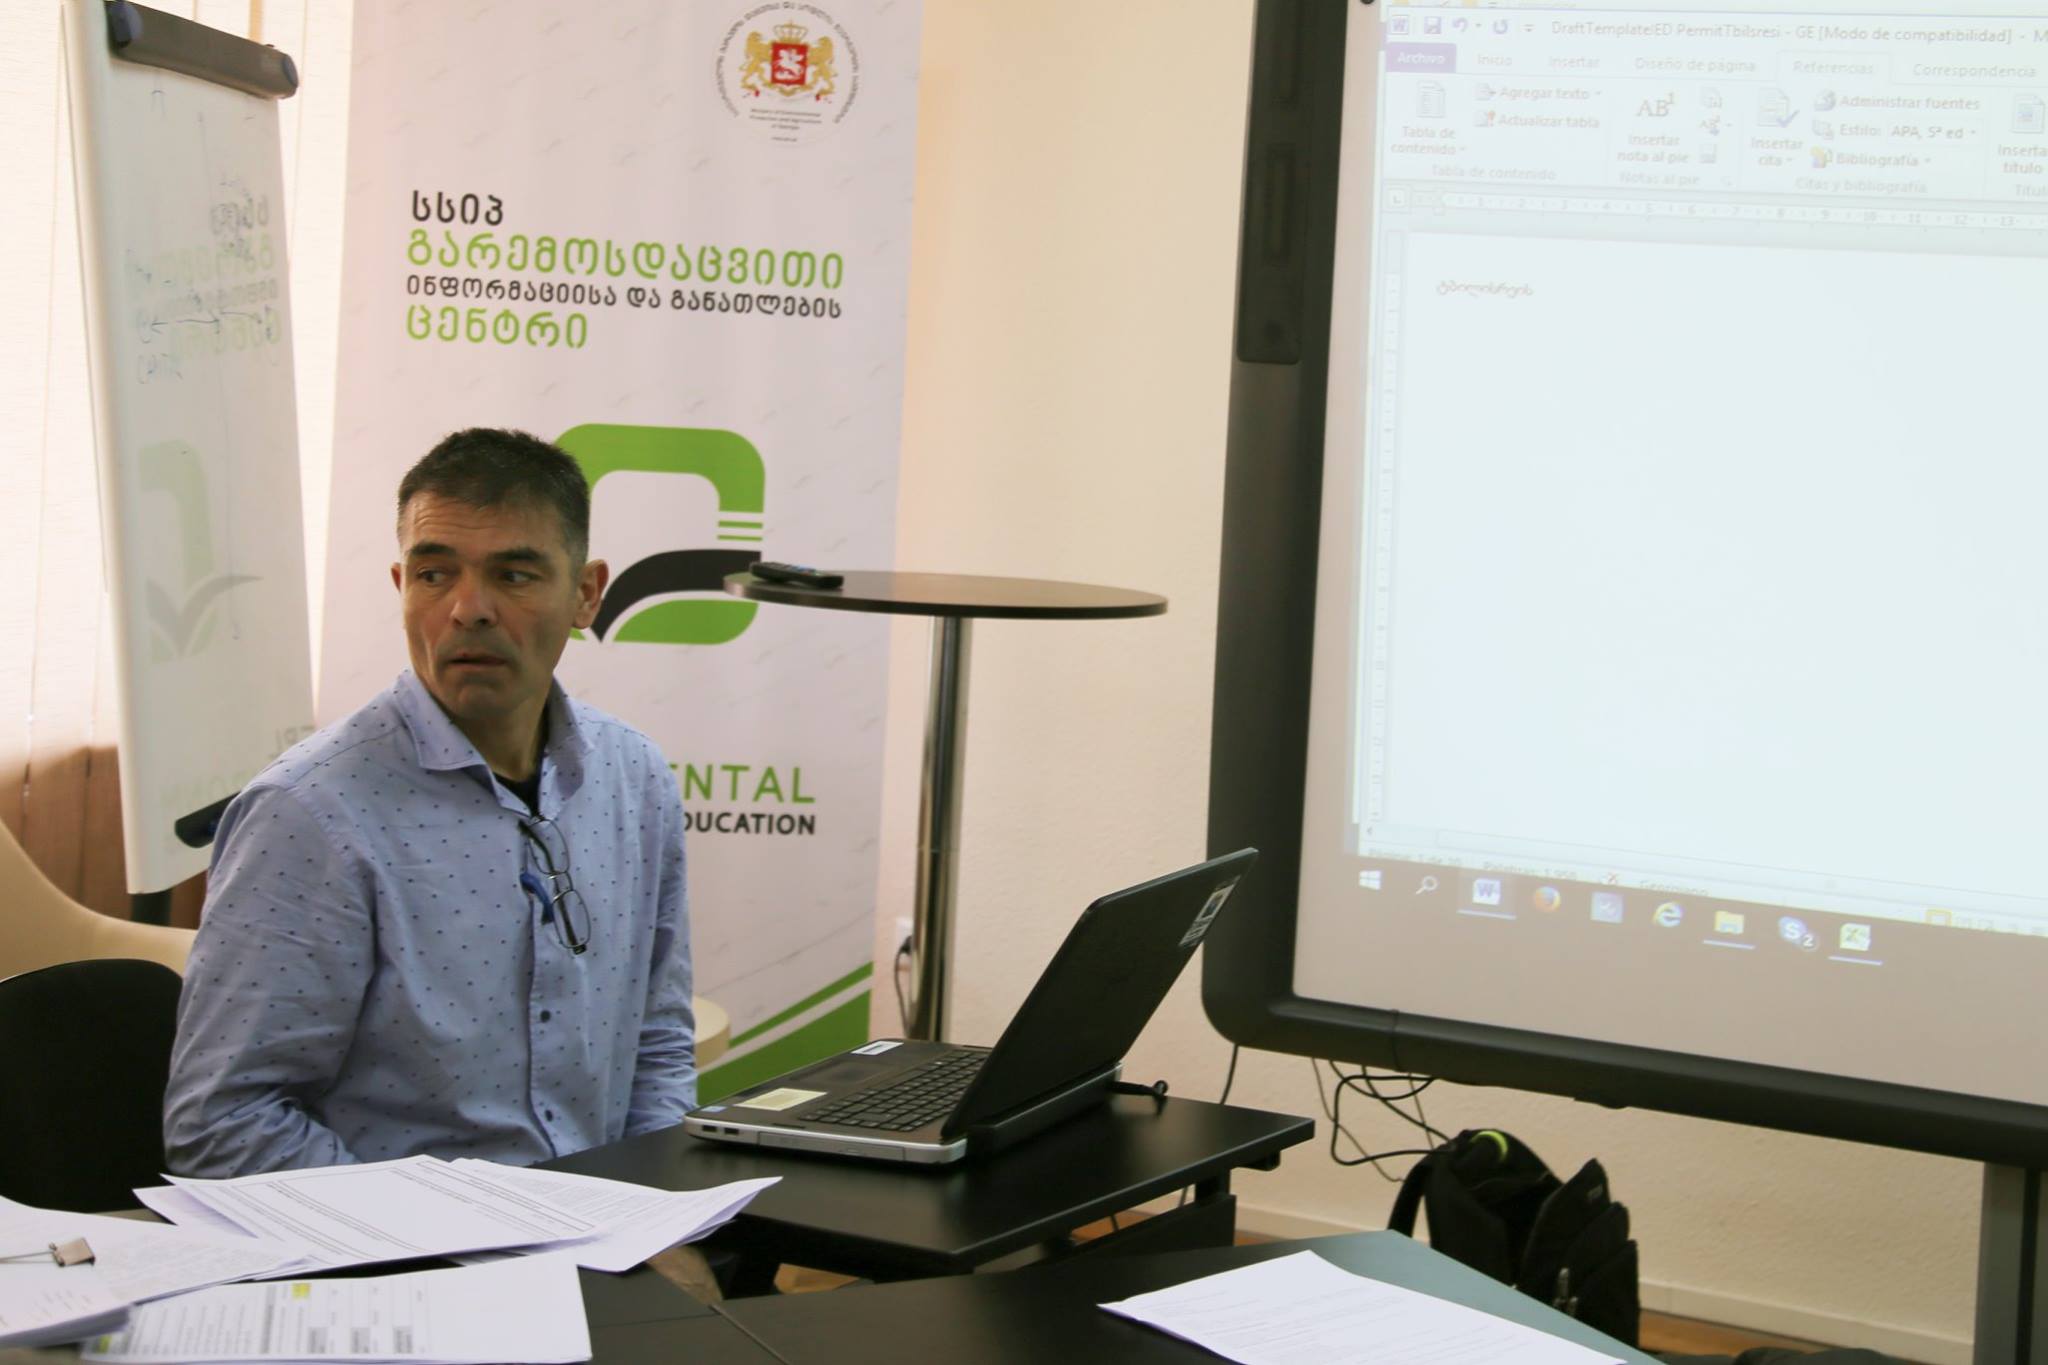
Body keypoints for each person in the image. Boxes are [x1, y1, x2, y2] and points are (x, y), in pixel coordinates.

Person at [164, 427, 695, 1177]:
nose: (467, 609)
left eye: (514, 575)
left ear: (586, 593)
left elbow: (657, 1042)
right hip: (402, 1244)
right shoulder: (309, 814)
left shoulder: (634, 778)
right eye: (434, 574)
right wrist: (458, 1230)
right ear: (401, 585)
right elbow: (223, 1124)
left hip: (613, 1223)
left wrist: (652, 1205)